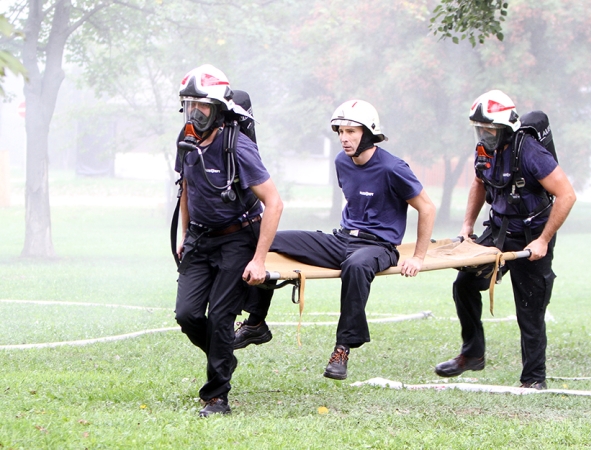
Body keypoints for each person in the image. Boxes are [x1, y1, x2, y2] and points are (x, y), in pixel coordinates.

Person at [234, 99, 436, 380]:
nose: (344, 138)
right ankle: (256, 323)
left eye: (351, 131)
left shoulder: (393, 168)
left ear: (368, 132)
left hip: (378, 246)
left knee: (356, 265)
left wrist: (417, 256)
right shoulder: (342, 161)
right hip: (341, 240)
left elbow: (427, 208)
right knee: (267, 240)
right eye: (340, 131)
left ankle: (342, 348)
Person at [435, 90, 576, 390]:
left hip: (531, 237)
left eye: (488, 129)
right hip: (497, 233)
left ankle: (533, 380)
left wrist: (543, 240)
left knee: (530, 308)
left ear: (503, 128)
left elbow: (567, 195)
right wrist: (467, 224)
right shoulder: (485, 149)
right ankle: (472, 355)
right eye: (479, 129)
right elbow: (478, 181)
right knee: (465, 285)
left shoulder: (530, 152)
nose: (482, 135)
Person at [173, 64, 283, 416]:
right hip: (199, 240)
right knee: (187, 315)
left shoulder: (238, 145)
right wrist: (184, 234)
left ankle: (217, 397)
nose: (195, 111)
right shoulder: (185, 140)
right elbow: (186, 189)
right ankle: (224, 356)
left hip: (237, 238)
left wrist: (259, 259)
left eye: (202, 105)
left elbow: (275, 203)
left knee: (221, 316)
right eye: (190, 104)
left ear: (218, 106)